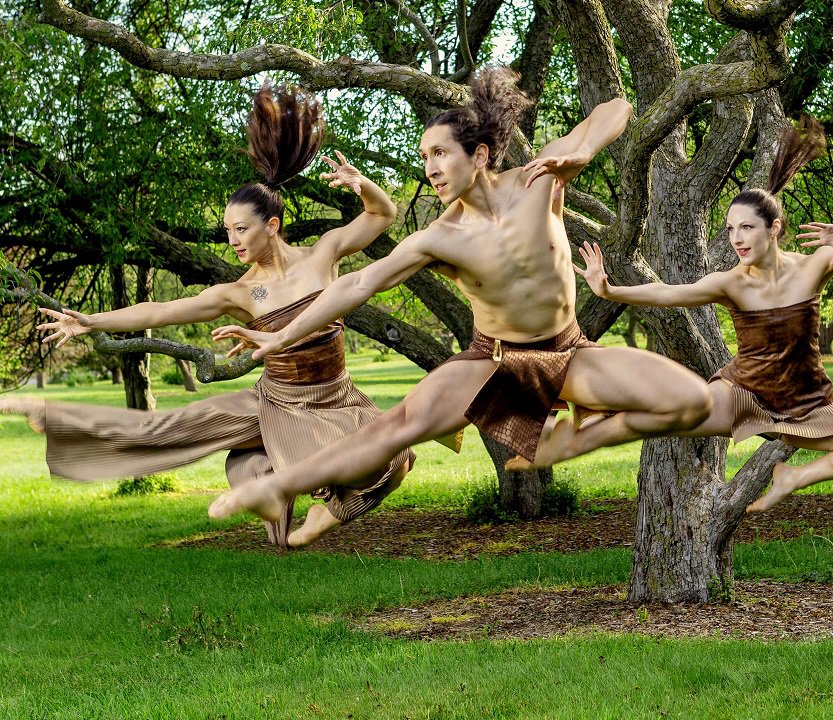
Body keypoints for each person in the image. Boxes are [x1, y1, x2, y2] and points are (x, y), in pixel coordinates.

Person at [206, 66, 713, 524]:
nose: (429, 167)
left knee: (691, 401)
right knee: (395, 430)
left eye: (440, 153)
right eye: (424, 157)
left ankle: (567, 444)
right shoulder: (437, 239)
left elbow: (616, 108)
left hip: (568, 351)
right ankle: (275, 485)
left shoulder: (540, 181)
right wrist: (282, 336)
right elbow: (359, 283)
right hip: (490, 360)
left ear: (481, 155)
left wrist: (582, 149)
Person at [0, 82, 413, 547]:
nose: (233, 240)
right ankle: (54, 417)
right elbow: (161, 310)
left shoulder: (323, 255)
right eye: (227, 230)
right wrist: (91, 321)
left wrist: (363, 185)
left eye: (242, 229)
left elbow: (382, 215)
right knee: (168, 429)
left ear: (272, 226)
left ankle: (314, 505)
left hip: (333, 400)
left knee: (395, 458)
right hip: (273, 400)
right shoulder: (240, 291)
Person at [565, 117, 833, 511]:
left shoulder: (813, 267)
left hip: (809, 402)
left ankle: (793, 476)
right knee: (668, 415)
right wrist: (610, 289)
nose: (737, 239)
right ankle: (591, 396)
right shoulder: (730, 283)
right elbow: (668, 293)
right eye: (730, 230)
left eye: (746, 227)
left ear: (774, 228)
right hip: (745, 394)